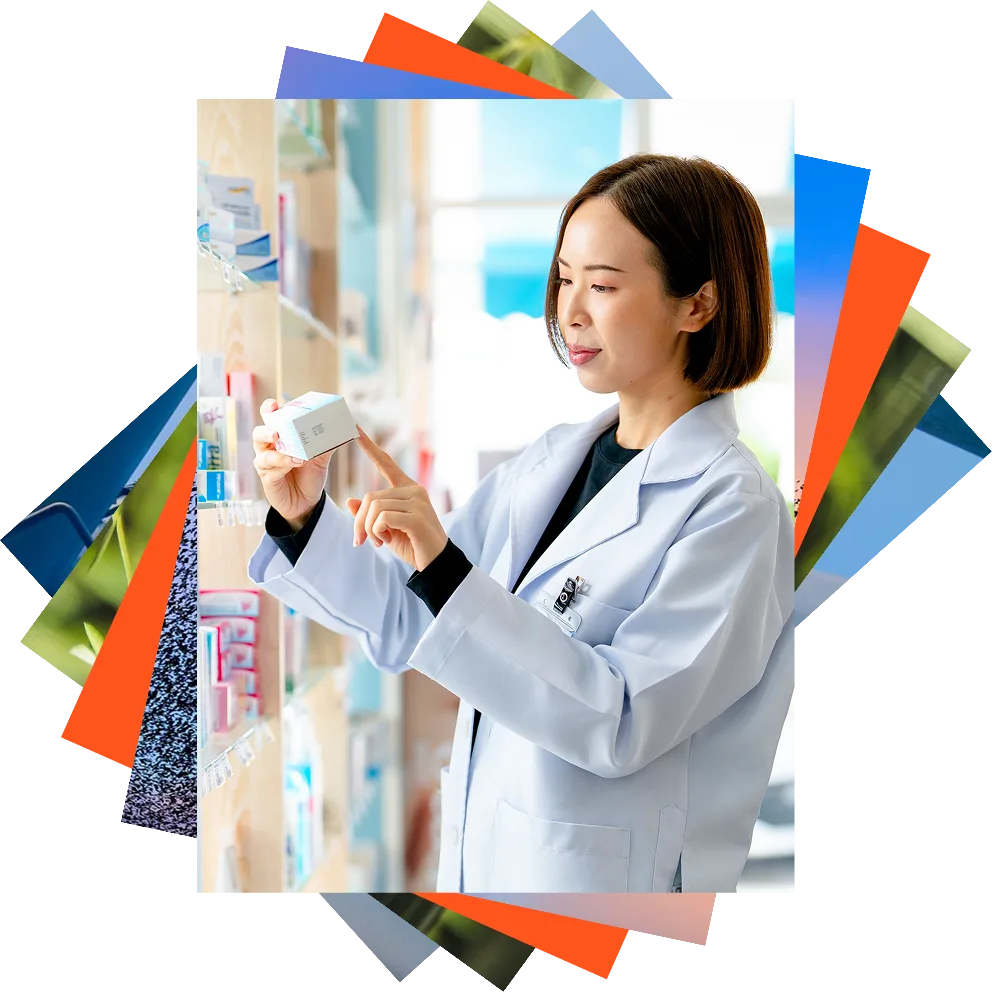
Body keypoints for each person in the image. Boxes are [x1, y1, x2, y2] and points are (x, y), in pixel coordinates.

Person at [248, 154, 796, 895]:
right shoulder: (551, 463)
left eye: (602, 285)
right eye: (565, 278)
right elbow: (418, 620)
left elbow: (625, 721)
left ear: (696, 305)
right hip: (491, 870)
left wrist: (446, 568)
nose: (569, 310)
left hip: (610, 895)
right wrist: (302, 515)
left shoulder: (733, 509)